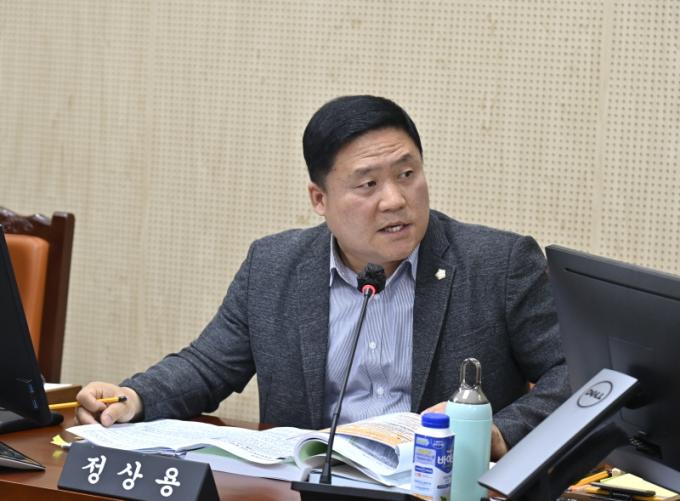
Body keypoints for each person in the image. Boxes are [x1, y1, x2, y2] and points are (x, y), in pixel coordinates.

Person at [77, 95, 569, 459]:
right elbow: (208, 366)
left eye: (406, 174)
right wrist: (134, 397)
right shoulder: (274, 266)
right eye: (368, 184)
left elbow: (575, 374)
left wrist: (499, 433)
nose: (395, 200)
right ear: (320, 199)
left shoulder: (497, 263)